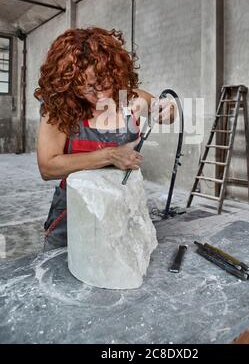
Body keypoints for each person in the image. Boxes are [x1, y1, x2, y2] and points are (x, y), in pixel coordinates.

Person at [34, 27, 175, 251]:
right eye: (88, 87)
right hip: (75, 205)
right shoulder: (59, 109)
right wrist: (109, 155)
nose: (99, 94)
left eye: (104, 82)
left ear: (116, 73)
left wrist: (168, 110)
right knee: (63, 268)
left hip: (122, 199)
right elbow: (48, 167)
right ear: (69, 82)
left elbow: (164, 111)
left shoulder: (130, 98)